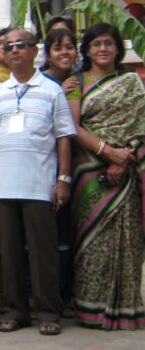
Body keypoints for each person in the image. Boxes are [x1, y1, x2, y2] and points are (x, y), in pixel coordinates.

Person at [0, 29, 75, 336]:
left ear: (34, 51)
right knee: (9, 253)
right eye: (8, 46)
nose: (14, 50)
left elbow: (63, 138)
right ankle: (17, 311)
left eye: (21, 45)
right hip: (4, 187)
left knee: (43, 253)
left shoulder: (52, 90)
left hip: (39, 186)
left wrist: (63, 180)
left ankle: (48, 312)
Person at [66, 23, 145, 330]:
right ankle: (91, 308)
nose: (102, 49)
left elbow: (141, 124)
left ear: (117, 48)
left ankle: (126, 308)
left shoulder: (131, 82)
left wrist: (124, 156)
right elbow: (73, 127)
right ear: (87, 50)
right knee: (92, 241)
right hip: (89, 170)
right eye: (96, 44)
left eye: (108, 43)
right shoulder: (76, 82)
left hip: (127, 168)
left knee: (127, 240)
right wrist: (108, 152)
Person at [40, 27, 79, 315]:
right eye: (58, 47)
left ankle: (74, 293)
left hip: (83, 165)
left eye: (69, 46)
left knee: (76, 233)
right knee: (55, 235)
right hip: (49, 167)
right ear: (48, 54)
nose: (64, 52)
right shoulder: (43, 83)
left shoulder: (81, 80)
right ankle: (55, 296)